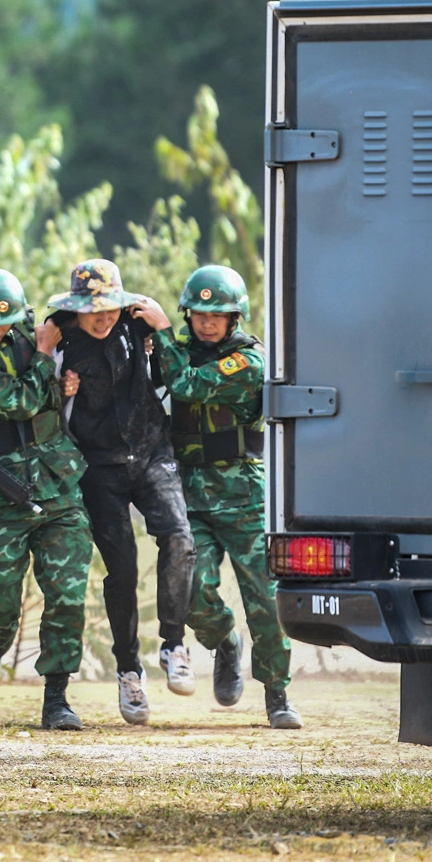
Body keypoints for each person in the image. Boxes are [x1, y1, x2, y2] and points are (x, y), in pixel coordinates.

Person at [0, 267, 92, 730]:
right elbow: (21, 400)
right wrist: (46, 363)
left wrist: (66, 381)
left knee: (66, 596)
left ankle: (57, 698)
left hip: (59, 486)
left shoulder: (34, 338)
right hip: (1, 491)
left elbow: (90, 330)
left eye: (4, 321)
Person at [47, 259, 197, 726]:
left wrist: (165, 328)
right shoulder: (62, 336)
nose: (103, 317)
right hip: (99, 466)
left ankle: (173, 644)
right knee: (123, 569)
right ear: (77, 308)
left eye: (109, 308)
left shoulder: (138, 323)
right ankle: (129, 670)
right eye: (94, 310)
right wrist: (55, 374)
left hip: (152, 452)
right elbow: (36, 394)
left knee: (179, 538)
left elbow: (177, 379)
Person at [153, 264, 301, 730]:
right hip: (190, 494)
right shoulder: (176, 352)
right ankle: (225, 641)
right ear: (189, 314)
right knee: (191, 592)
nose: (208, 322)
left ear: (236, 317)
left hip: (243, 495)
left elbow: (187, 386)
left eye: (219, 315)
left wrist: (160, 331)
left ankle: (277, 694)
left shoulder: (248, 360)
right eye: (199, 314)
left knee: (266, 598)